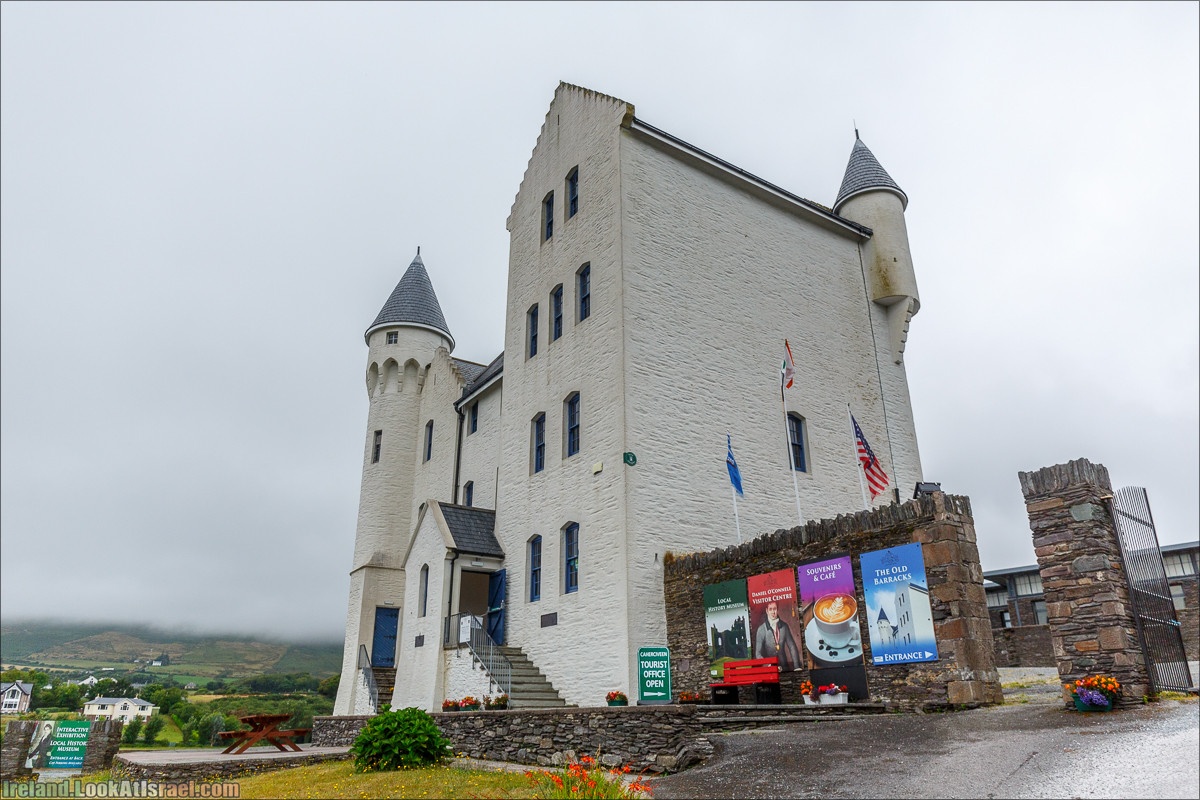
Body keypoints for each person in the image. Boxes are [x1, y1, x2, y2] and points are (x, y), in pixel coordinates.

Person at [754, 601, 801, 670]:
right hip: (769, 670)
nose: (773, 612)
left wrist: (797, 667)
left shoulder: (784, 626)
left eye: (774, 609)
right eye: (770, 609)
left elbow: (792, 646)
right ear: (767, 611)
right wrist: (769, 665)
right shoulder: (761, 629)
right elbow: (758, 654)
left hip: (785, 668)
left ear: (777, 609)